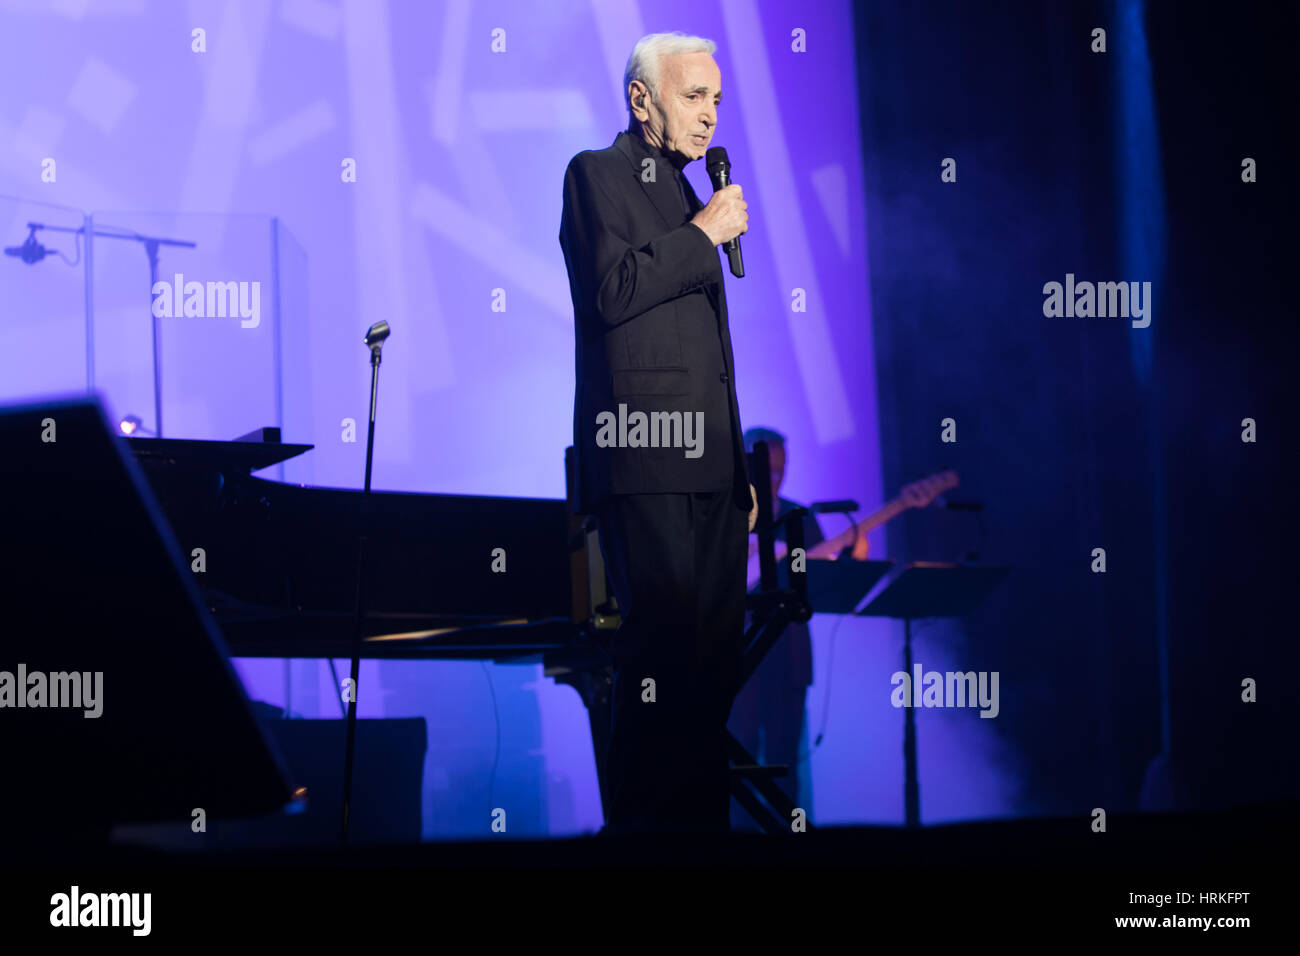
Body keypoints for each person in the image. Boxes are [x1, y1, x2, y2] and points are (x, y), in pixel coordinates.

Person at [558, 32, 754, 833]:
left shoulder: (686, 194)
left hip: (712, 467)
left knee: (714, 669)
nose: (708, 115)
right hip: (644, 455)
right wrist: (703, 233)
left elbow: (714, 359)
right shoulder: (595, 174)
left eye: (715, 99)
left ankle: (701, 834)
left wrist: (740, 471)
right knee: (660, 658)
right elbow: (610, 292)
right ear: (642, 100)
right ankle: (640, 836)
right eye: (692, 97)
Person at [729, 427, 828, 828]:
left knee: (786, 756)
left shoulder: (797, 517)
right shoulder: (727, 518)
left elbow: (820, 583)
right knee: (740, 750)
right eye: (766, 470)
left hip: (786, 655)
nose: (775, 479)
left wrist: (849, 556)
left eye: (780, 470)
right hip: (739, 657)